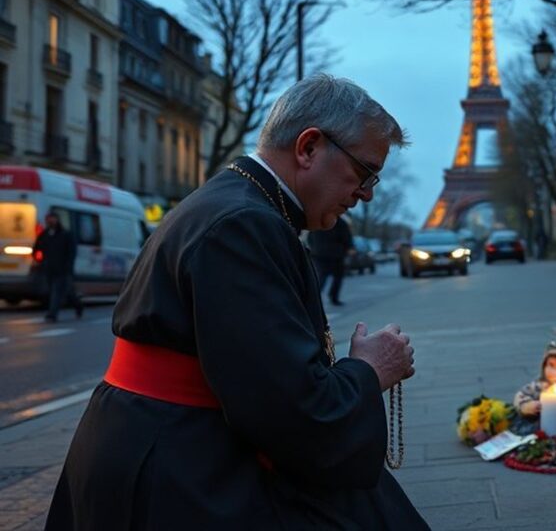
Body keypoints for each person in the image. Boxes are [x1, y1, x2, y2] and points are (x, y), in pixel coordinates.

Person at [46, 75, 427, 529]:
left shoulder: (239, 206)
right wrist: (368, 370)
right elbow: (294, 412)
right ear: (308, 148)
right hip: (178, 469)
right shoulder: (245, 224)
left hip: (162, 443)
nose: (366, 195)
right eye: (364, 173)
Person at [32, 211, 83, 322]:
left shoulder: (66, 234)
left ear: (57, 219)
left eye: (52, 218)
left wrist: (68, 266)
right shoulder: (44, 235)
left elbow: (71, 252)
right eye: (48, 219)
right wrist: (38, 260)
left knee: (57, 292)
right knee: (64, 292)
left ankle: (52, 314)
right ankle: (78, 305)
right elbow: (36, 249)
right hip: (49, 269)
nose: (50, 221)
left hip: (63, 269)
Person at [308, 214, 354, 306]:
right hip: (335, 255)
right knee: (337, 277)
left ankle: (313, 298)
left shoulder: (320, 220)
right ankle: (333, 297)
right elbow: (346, 238)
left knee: (321, 277)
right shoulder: (341, 223)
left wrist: (314, 248)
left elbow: (310, 238)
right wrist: (348, 248)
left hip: (319, 253)